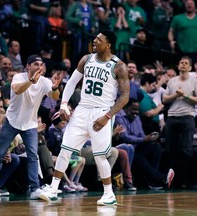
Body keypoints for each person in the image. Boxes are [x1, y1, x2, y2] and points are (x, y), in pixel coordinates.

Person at [40, 31, 130, 205]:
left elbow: (125, 95)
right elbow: (72, 83)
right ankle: (53, 189)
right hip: (82, 110)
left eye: (99, 39)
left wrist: (108, 116)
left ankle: (109, 194)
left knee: (100, 156)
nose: (94, 41)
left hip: (102, 112)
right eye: (95, 38)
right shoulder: (86, 59)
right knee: (65, 150)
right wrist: (64, 104)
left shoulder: (119, 66)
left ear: (109, 44)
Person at [0, 54, 62, 200]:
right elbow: (18, 90)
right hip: (12, 121)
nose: (39, 67)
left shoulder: (44, 81)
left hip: (30, 124)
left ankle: (34, 189)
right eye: (36, 64)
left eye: (41, 65)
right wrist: (31, 82)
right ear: (28, 66)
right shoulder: (19, 77)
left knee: (33, 156)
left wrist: (56, 88)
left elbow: (55, 97)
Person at [162, 56, 197, 188]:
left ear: (190, 67)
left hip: (187, 117)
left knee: (187, 149)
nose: (183, 65)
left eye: (186, 63)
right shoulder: (172, 81)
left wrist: (185, 96)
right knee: (170, 149)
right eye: (181, 63)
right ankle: (172, 181)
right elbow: (165, 99)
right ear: (178, 66)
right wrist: (176, 95)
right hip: (172, 117)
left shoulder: (194, 81)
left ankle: (186, 181)